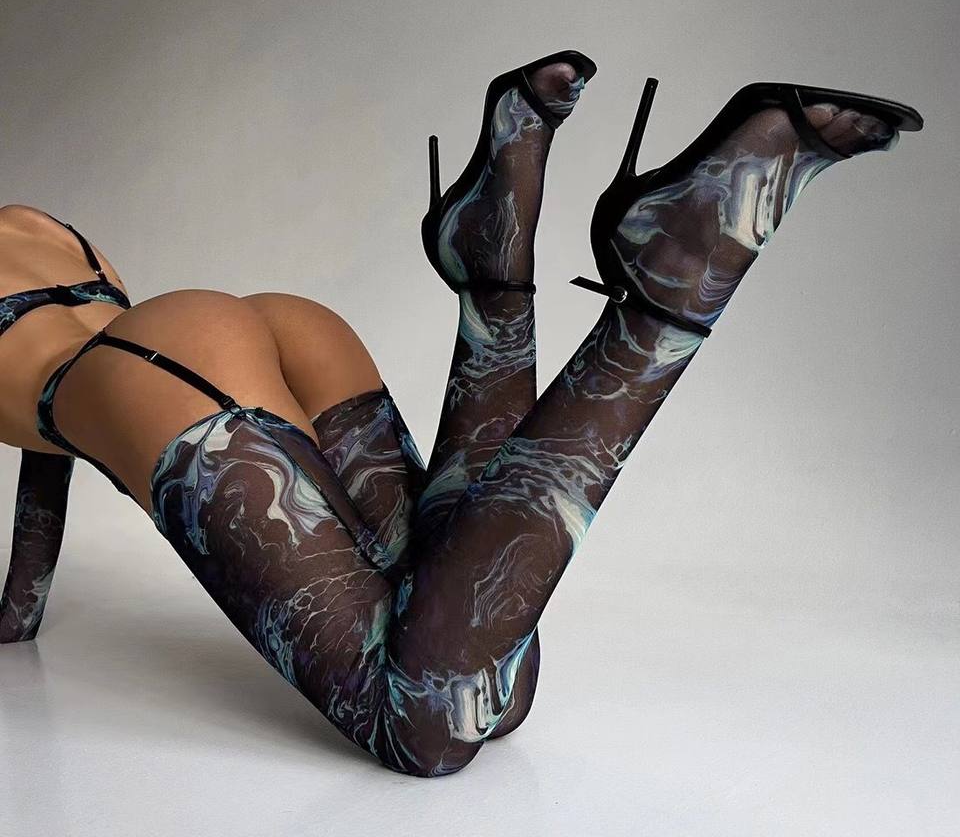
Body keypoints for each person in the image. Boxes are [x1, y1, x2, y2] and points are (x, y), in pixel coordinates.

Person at [0, 51, 922, 776]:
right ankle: (493, 267)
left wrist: (17, 616)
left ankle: (669, 294)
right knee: (494, 687)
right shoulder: (36, 226)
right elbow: (57, 440)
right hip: (256, 327)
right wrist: (21, 609)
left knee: (421, 727)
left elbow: (56, 426)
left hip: (158, 375)